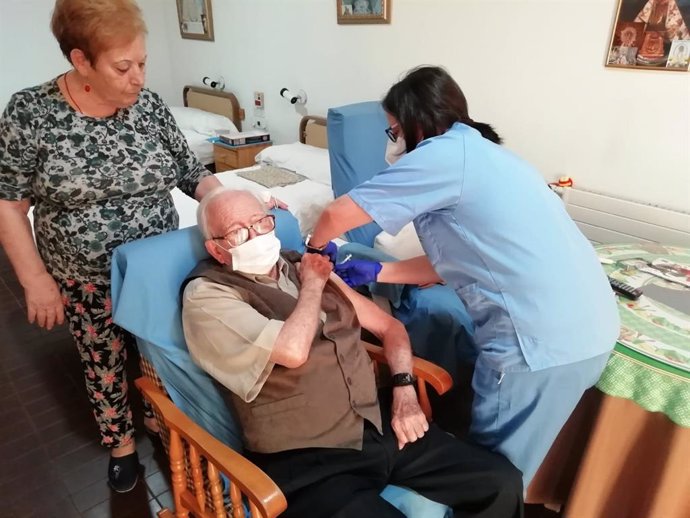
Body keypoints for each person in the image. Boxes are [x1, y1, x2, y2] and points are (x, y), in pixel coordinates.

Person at [307, 65, 620, 486]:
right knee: (508, 467)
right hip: (589, 328)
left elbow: (334, 213)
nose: (393, 142)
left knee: (491, 478)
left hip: (539, 343)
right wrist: (382, 269)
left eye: (393, 130)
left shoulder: (440, 156)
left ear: (415, 123)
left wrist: (313, 250)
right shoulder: (487, 155)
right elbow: (462, 257)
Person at [181, 188, 524, 518]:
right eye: (238, 232)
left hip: (379, 424)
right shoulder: (208, 296)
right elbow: (291, 350)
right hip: (309, 458)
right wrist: (314, 285)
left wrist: (404, 390)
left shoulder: (299, 264)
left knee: (501, 483)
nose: (256, 235)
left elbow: (390, 328)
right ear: (217, 250)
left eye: (261, 222)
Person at [0, 0, 223, 492]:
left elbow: (191, 173)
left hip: (159, 267)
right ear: (81, 61)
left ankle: (161, 419)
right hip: (84, 273)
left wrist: (227, 200)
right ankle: (120, 444)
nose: (138, 77)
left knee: (160, 350)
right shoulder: (31, 112)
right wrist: (35, 280)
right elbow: (9, 204)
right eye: (123, 67)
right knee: (102, 358)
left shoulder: (148, 105)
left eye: (142, 62)